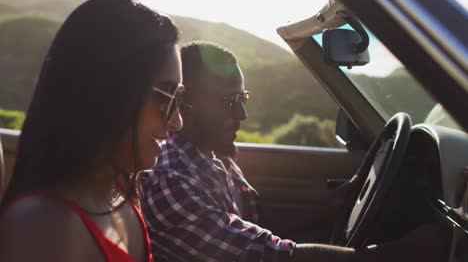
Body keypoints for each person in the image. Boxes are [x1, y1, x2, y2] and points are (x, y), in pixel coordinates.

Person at [138, 41, 450, 262]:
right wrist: (402, 254)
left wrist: (342, 198)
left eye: (242, 99)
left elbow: (258, 218)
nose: (241, 116)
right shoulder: (169, 179)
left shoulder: (212, 155)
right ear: (186, 103)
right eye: (228, 102)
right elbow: (267, 255)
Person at [0, 0, 184, 261]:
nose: (177, 122)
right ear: (109, 92)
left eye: (180, 97)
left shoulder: (122, 193)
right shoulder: (41, 226)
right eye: (166, 97)